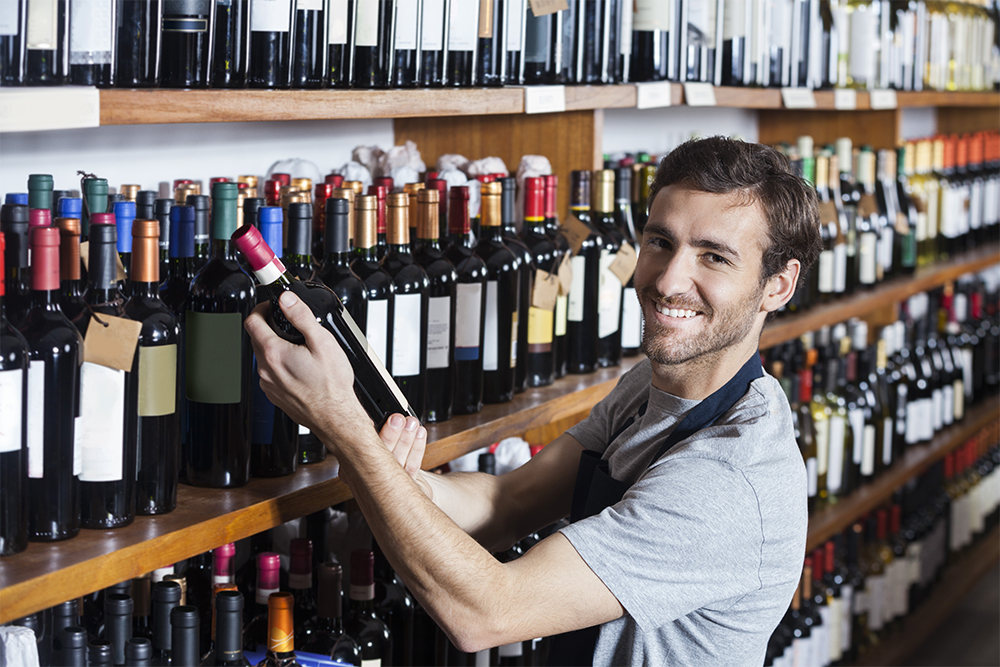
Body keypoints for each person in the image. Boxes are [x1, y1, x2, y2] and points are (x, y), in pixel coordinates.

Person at [246, 136, 823, 666]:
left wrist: (344, 428)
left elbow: (487, 612)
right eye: (659, 242)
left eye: (713, 257)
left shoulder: (728, 479)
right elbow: (504, 502)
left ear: (778, 284)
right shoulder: (649, 387)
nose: (670, 280)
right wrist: (386, 465)